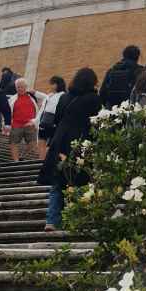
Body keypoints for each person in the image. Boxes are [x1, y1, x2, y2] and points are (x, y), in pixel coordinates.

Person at [38, 67, 101, 231]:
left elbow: (57, 118)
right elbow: (96, 121)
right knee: (80, 179)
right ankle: (76, 218)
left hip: (60, 140)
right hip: (81, 141)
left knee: (58, 181)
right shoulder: (94, 99)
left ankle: (51, 220)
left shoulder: (65, 97)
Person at [6, 78, 45, 163]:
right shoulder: (12, 99)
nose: (20, 89)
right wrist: (6, 124)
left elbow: (46, 97)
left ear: (26, 87)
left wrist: (36, 92)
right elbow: (7, 113)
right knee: (13, 143)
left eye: (22, 87)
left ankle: (22, 156)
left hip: (30, 124)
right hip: (16, 125)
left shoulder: (32, 97)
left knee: (33, 144)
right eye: (18, 87)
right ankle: (16, 161)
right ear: (16, 88)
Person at [37, 76, 66, 155]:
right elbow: (43, 109)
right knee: (41, 142)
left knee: (51, 145)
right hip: (44, 120)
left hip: (54, 121)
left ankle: (47, 160)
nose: (51, 86)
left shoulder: (63, 95)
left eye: (53, 84)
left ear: (58, 84)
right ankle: (41, 160)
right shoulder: (50, 95)